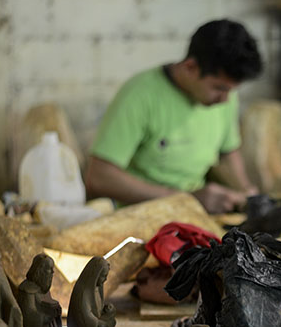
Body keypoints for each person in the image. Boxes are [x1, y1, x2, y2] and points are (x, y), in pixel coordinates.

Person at [85, 19, 263, 214]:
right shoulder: (140, 95)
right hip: (138, 217)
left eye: (231, 90)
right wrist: (186, 199)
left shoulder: (225, 96)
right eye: (219, 88)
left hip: (195, 212)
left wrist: (246, 191)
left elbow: (228, 152)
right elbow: (99, 177)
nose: (225, 100)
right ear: (190, 67)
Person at [14, 254, 64, 327]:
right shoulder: (27, 290)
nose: (52, 272)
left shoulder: (43, 288)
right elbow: (29, 315)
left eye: (53, 269)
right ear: (39, 271)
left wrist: (56, 312)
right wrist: (46, 317)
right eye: (49, 269)